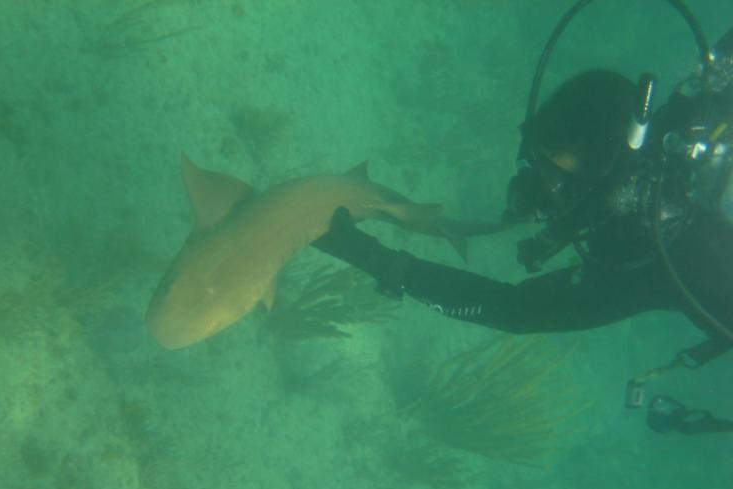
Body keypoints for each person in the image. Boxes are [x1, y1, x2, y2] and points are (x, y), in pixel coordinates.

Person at [313, 1, 733, 434]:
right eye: (533, 161)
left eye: (551, 181)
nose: (533, 192)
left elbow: (511, 310)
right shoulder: (679, 120)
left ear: (597, 189)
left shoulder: (660, 255)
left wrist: (373, 259)